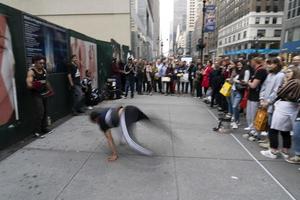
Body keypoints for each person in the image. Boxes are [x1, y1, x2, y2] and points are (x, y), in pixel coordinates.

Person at [261, 66, 300, 159]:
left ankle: (273, 151)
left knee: (274, 129)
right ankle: (285, 151)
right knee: (285, 130)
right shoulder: (296, 82)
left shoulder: (293, 82)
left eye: (289, 72)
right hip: (291, 107)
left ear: (295, 72)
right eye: (286, 72)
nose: (287, 74)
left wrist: (284, 84)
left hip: (284, 107)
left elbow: (279, 92)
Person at [255, 58, 285, 142]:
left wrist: (268, 101)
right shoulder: (269, 74)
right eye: (268, 64)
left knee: (272, 123)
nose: (268, 66)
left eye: (271, 64)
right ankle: (267, 139)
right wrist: (261, 98)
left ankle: (270, 142)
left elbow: (277, 90)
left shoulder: (280, 75)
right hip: (264, 102)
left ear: (276, 64)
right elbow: (263, 87)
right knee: (267, 122)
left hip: (273, 104)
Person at [26, 55, 53, 138]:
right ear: (35, 63)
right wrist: (34, 85)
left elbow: (46, 81)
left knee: (45, 111)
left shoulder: (44, 70)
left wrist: (51, 90)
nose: (42, 64)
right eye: (40, 63)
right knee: (40, 112)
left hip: (44, 93)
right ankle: (36, 131)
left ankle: (44, 128)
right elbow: (28, 84)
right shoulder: (31, 72)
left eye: (43, 63)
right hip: (36, 94)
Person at [243, 57, 267, 138]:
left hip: (256, 96)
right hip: (252, 95)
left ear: (255, 62)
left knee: (254, 114)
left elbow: (253, 85)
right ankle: (251, 129)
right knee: (249, 113)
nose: (250, 63)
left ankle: (255, 131)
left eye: (251, 61)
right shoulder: (256, 70)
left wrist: (248, 82)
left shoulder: (261, 70)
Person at [230, 60, 250, 129]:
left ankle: (236, 121)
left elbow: (245, 82)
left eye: (240, 64)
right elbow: (231, 80)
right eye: (238, 65)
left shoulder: (246, 71)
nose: (239, 66)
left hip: (239, 91)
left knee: (235, 106)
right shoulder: (236, 71)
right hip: (233, 89)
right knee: (234, 106)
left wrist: (237, 81)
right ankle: (236, 120)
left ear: (243, 64)